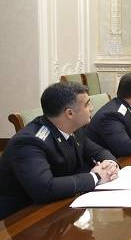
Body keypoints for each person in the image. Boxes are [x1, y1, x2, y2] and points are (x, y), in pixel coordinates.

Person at [0, 82, 118, 219]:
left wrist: (109, 164)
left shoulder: (75, 129)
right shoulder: (29, 143)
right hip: (23, 218)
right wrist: (96, 177)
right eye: (87, 104)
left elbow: (99, 151)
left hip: (61, 205)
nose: (91, 108)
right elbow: (44, 188)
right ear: (69, 113)